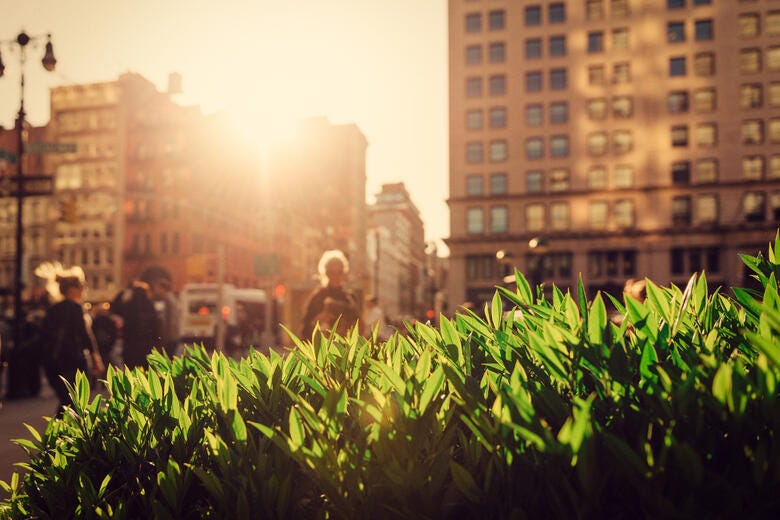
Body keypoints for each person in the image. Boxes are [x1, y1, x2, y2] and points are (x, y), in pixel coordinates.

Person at [40, 272, 104, 413]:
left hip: (54, 363)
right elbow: (85, 335)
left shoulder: (52, 310)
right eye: (81, 286)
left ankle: (59, 432)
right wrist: (96, 358)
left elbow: (43, 336)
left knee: (67, 402)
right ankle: (61, 432)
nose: (83, 289)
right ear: (72, 289)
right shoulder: (75, 308)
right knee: (73, 403)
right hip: (73, 361)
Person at [112, 265, 172, 368]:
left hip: (130, 349)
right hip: (147, 350)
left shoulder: (129, 306)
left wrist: (127, 289)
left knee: (132, 375)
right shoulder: (150, 307)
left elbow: (115, 307)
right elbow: (157, 329)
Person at [301, 250, 361, 338]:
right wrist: (318, 320)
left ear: (344, 273)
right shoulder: (318, 297)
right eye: (331, 272)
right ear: (325, 273)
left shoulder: (350, 298)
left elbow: (360, 328)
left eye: (339, 272)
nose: (335, 276)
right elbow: (305, 330)